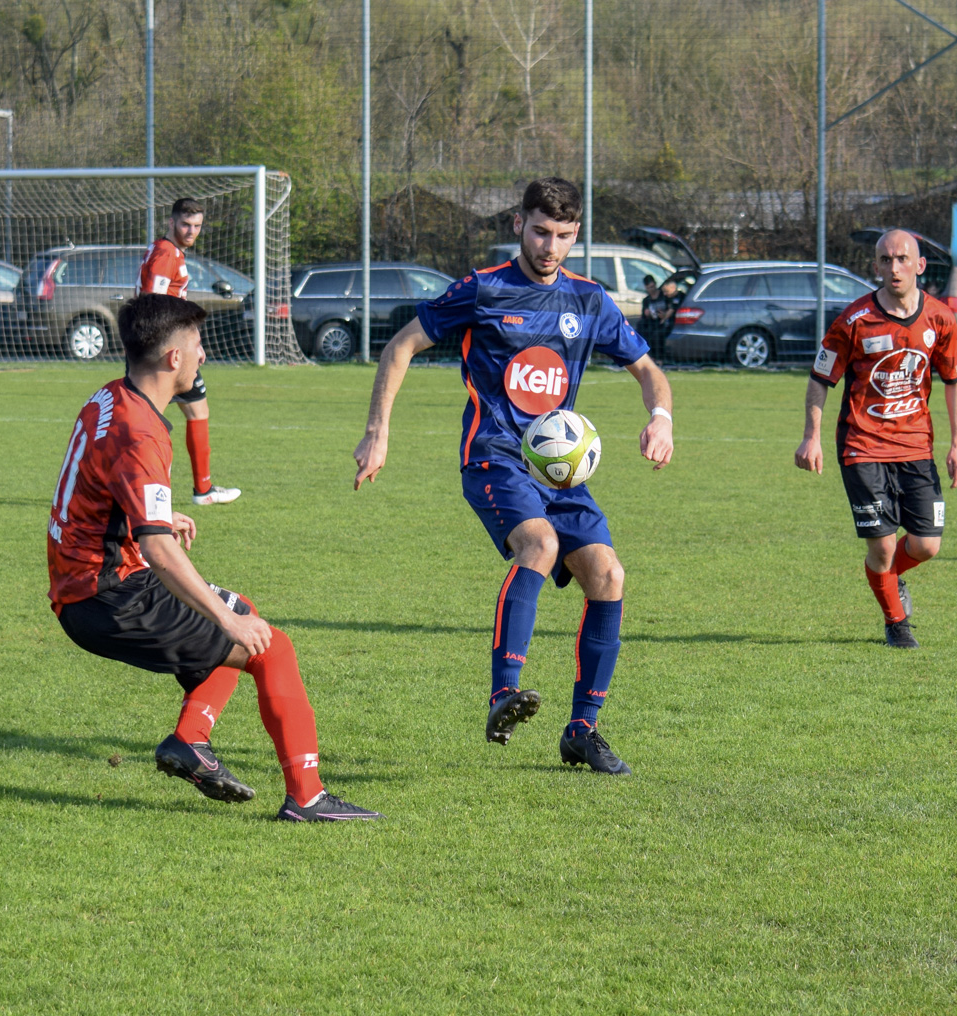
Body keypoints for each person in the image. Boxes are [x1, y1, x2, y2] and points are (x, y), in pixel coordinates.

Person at [353, 177, 675, 774]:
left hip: (559, 470)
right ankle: (504, 692)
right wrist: (378, 431)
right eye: (540, 232)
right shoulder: (484, 289)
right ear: (519, 225)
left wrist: (661, 419)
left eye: (563, 236)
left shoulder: (589, 300)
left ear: (575, 236)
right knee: (540, 545)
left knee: (608, 575)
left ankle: (582, 730)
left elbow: (650, 371)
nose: (550, 247)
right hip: (495, 454)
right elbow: (401, 345)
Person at [49, 294, 379, 821]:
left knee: (242, 612)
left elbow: (98, 487)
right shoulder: (140, 432)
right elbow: (157, 550)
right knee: (269, 645)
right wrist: (225, 619)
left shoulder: (110, 396)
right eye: (197, 345)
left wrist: (157, 515)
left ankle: (190, 740)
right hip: (109, 595)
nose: (203, 355)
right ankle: (307, 797)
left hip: (85, 583)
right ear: (173, 357)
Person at [794, 229, 957, 649]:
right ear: (875, 266)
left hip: (916, 446)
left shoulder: (940, 317)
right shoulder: (854, 320)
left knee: (927, 545)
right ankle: (896, 624)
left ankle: (888, 580)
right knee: (884, 546)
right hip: (862, 446)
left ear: (919, 265)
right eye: (886, 260)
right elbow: (821, 378)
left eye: (903, 259)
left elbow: (955, 380)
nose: (895, 267)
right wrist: (811, 436)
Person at [138, 197, 241, 506]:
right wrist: (176, 346)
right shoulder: (166, 255)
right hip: (165, 353)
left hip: (167, 350)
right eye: (185, 224)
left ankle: (202, 489)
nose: (191, 231)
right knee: (150, 421)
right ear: (171, 222)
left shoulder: (167, 251)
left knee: (191, 411)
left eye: (197, 226)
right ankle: (180, 490)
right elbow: (152, 303)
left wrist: (191, 341)